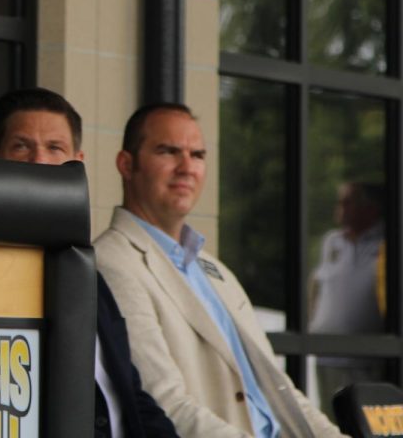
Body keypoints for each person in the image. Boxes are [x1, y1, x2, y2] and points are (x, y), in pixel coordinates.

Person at [95, 103, 348, 438]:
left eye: (197, 154)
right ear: (127, 164)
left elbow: (279, 390)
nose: (187, 167)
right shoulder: (111, 261)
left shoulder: (214, 270)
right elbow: (165, 406)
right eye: (168, 151)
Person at [0, 88, 178, 438]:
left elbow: (130, 396)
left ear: (78, 162)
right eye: (21, 146)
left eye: (55, 148)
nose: (40, 161)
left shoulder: (87, 268)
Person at [309, 181, 386, 417]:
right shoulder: (332, 242)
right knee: (330, 425)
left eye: (347, 202)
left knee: (365, 426)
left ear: (370, 209)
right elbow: (316, 287)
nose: (339, 208)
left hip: (365, 362)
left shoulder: (386, 244)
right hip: (326, 359)